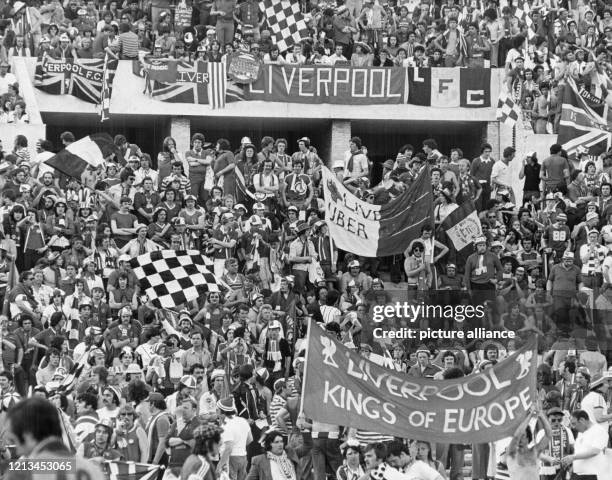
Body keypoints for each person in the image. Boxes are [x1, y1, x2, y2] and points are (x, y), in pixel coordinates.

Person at [561, 410, 609, 480]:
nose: (573, 427)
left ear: (582, 420)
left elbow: (594, 451)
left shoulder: (599, 431)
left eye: (574, 423)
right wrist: (573, 467)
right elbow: (579, 451)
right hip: (577, 475)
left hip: (592, 475)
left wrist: (573, 457)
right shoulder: (581, 432)